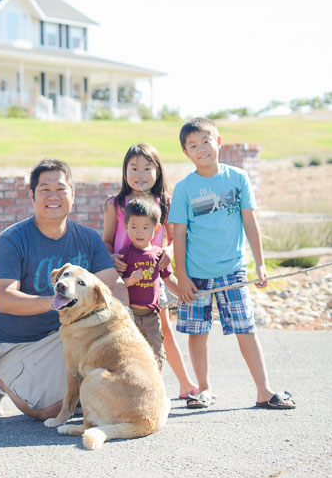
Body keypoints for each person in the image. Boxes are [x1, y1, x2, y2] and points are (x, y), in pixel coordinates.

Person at [0, 159, 128, 420]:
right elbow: (3, 299)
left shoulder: (88, 238)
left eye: (61, 189)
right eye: (45, 190)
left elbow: (113, 284)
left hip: (66, 333)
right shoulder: (12, 240)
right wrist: (58, 301)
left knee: (91, 390)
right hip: (13, 342)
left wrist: (124, 321)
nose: (53, 196)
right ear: (32, 195)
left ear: (73, 194)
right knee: (51, 410)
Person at [169, 117, 295, 410]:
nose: (201, 149)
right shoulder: (185, 188)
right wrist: (183, 277)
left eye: (206, 141)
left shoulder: (237, 178)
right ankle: (203, 389)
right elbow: (179, 235)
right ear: (186, 153)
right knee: (198, 333)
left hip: (233, 270)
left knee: (245, 328)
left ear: (219, 142)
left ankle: (264, 390)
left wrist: (260, 264)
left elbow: (249, 222)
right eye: (193, 145)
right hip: (196, 275)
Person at [102, 143, 198, 399]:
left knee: (162, 330)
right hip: (124, 281)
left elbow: (176, 236)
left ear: (158, 171)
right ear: (124, 172)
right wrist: (111, 258)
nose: (140, 173)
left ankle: (186, 384)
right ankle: (124, 390)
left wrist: (169, 249)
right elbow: (107, 241)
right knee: (124, 334)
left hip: (153, 279)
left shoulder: (165, 202)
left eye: (147, 168)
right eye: (133, 168)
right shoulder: (116, 204)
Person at [117, 197, 182, 368]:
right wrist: (129, 281)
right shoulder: (125, 254)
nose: (139, 233)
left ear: (157, 228)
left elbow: (169, 279)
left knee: (156, 356)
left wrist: (183, 293)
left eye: (146, 228)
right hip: (130, 316)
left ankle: (156, 391)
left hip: (152, 317)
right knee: (131, 357)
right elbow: (116, 284)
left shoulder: (158, 255)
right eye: (134, 227)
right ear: (125, 227)